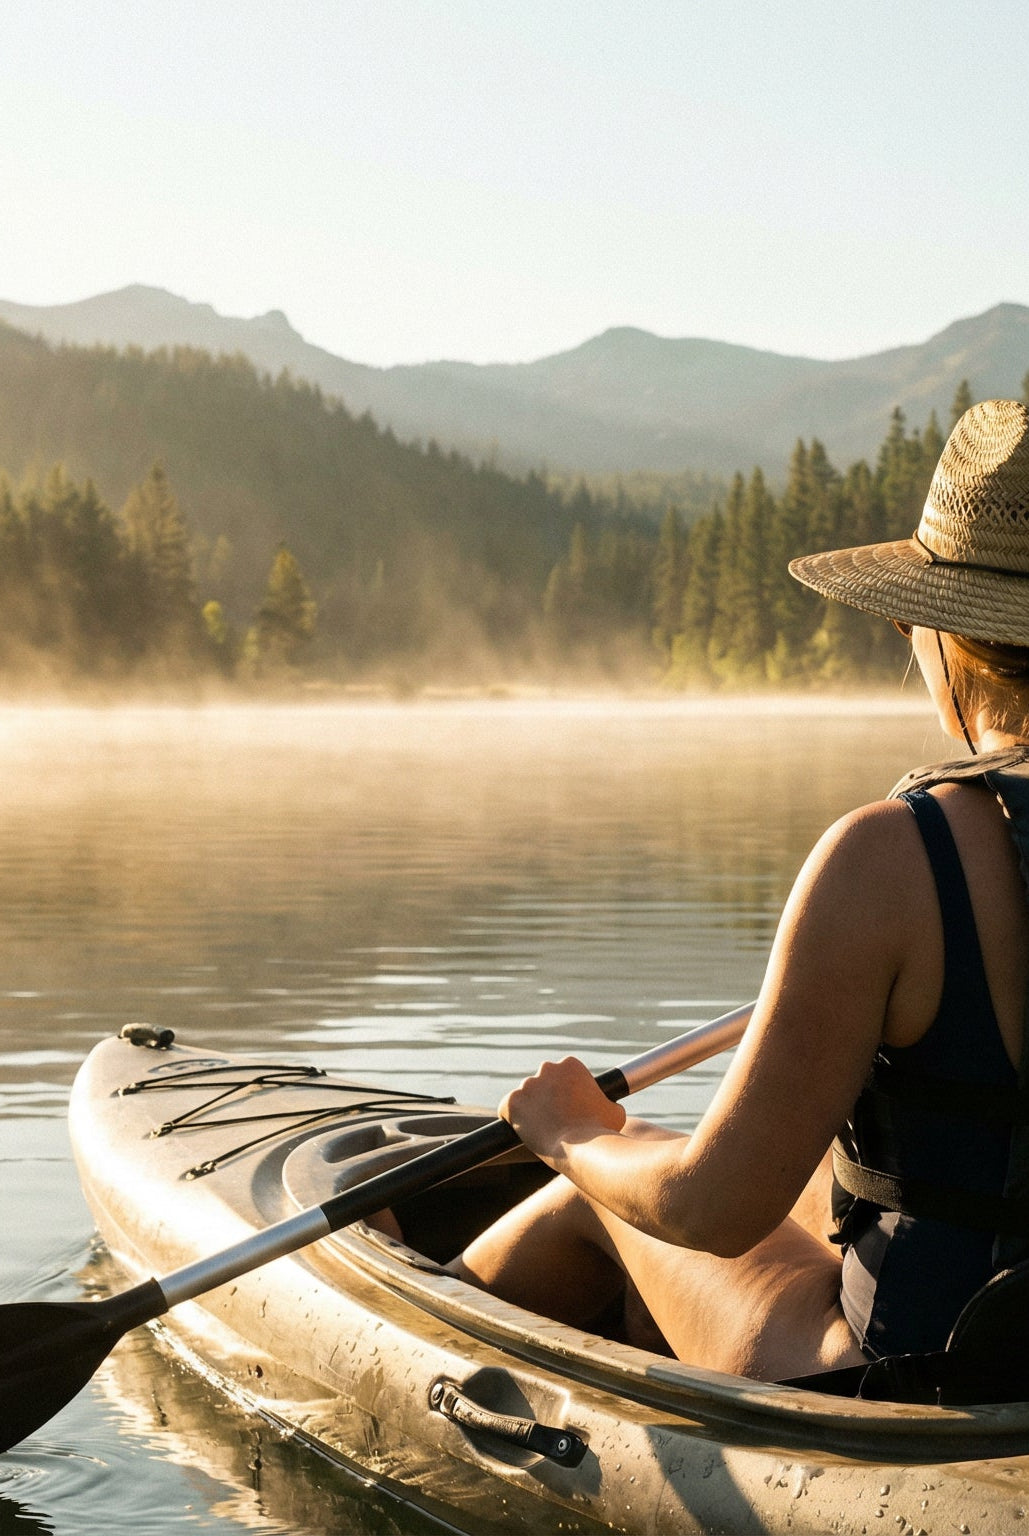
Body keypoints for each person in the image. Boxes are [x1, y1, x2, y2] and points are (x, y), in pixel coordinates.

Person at [448, 399, 1029, 1384]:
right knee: (813, 1175)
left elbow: (712, 1209)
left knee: (604, 1185)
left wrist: (578, 1134)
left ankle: (418, 1331)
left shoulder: (893, 859)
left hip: (916, 1382)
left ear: (931, 629)